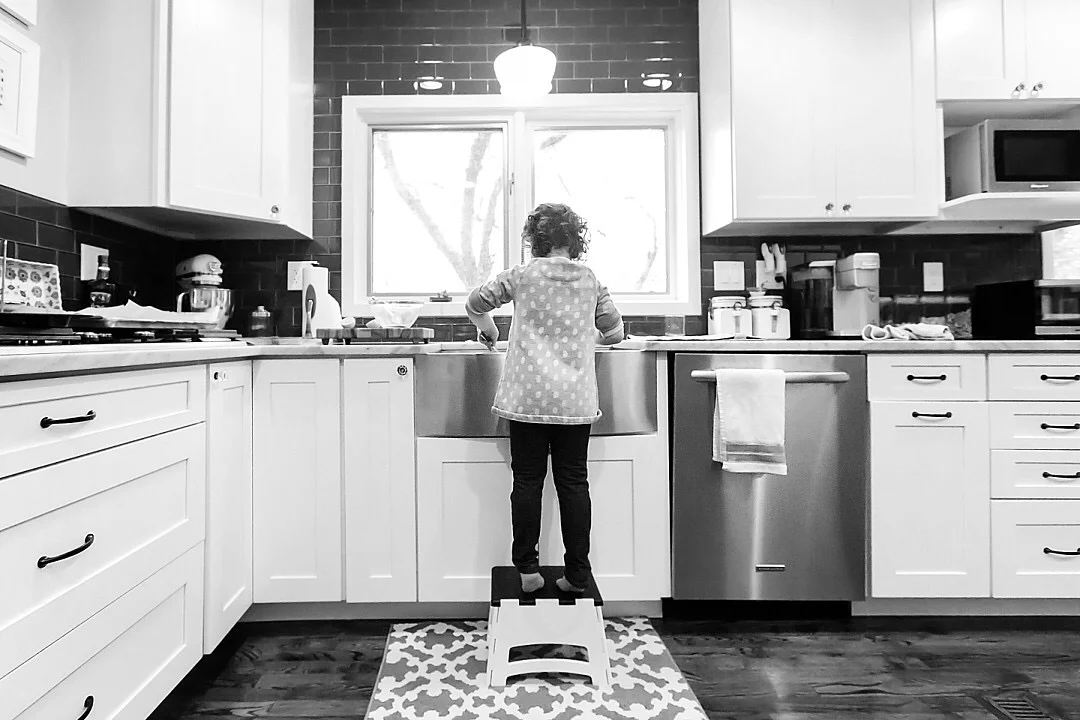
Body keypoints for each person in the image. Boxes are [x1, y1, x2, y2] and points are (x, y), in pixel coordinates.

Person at [466, 202, 625, 594]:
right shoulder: (591, 281)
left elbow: (474, 303)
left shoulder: (521, 276)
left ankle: (527, 570)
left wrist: (489, 331)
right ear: (576, 241)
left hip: (527, 402)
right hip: (575, 404)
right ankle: (577, 575)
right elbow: (616, 333)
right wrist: (591, 333)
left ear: (534, 241)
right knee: (574, 483)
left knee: (527, 482)